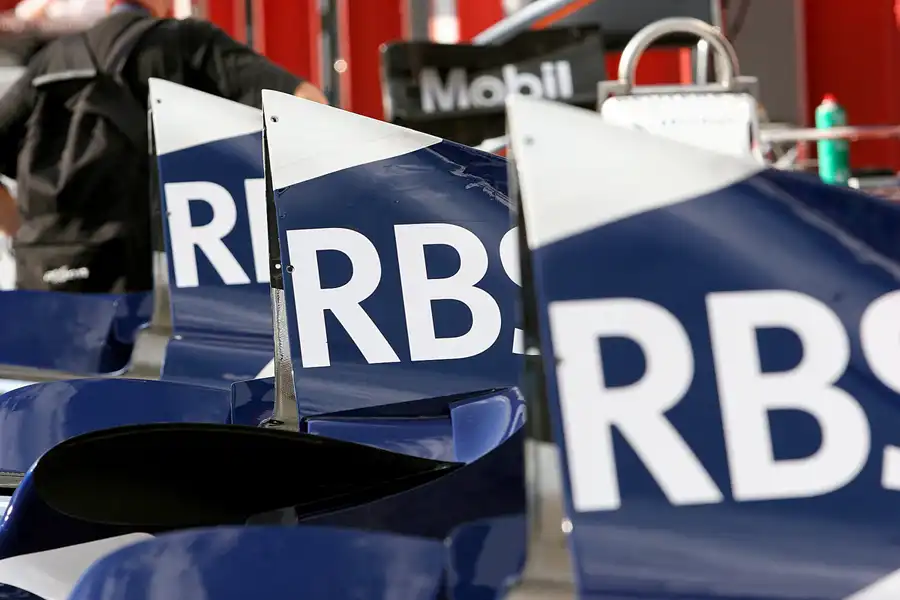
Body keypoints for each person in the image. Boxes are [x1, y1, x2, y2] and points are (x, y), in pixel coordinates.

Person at [0, 0, 326, 292]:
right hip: (151, 286)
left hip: (44, 282)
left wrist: (24, 231)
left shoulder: (50, 61)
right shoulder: (185, 42)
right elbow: (304, 103)